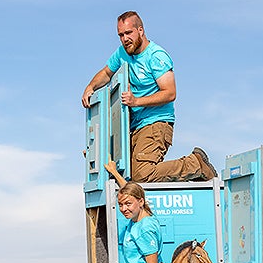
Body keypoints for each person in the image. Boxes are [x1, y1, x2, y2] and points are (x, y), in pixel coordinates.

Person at [82, 11, 216, 183]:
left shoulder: (156, 56)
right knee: (118, 173)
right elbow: (107, 73)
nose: (124, 39)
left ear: (140, 30)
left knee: (142, 175)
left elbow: (170, 93)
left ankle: (195, 164)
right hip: (134, 125)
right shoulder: (122, 53)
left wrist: (136, 101)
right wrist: (90, 87)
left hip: (157, 122)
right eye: (120, 35)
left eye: (128, 33)